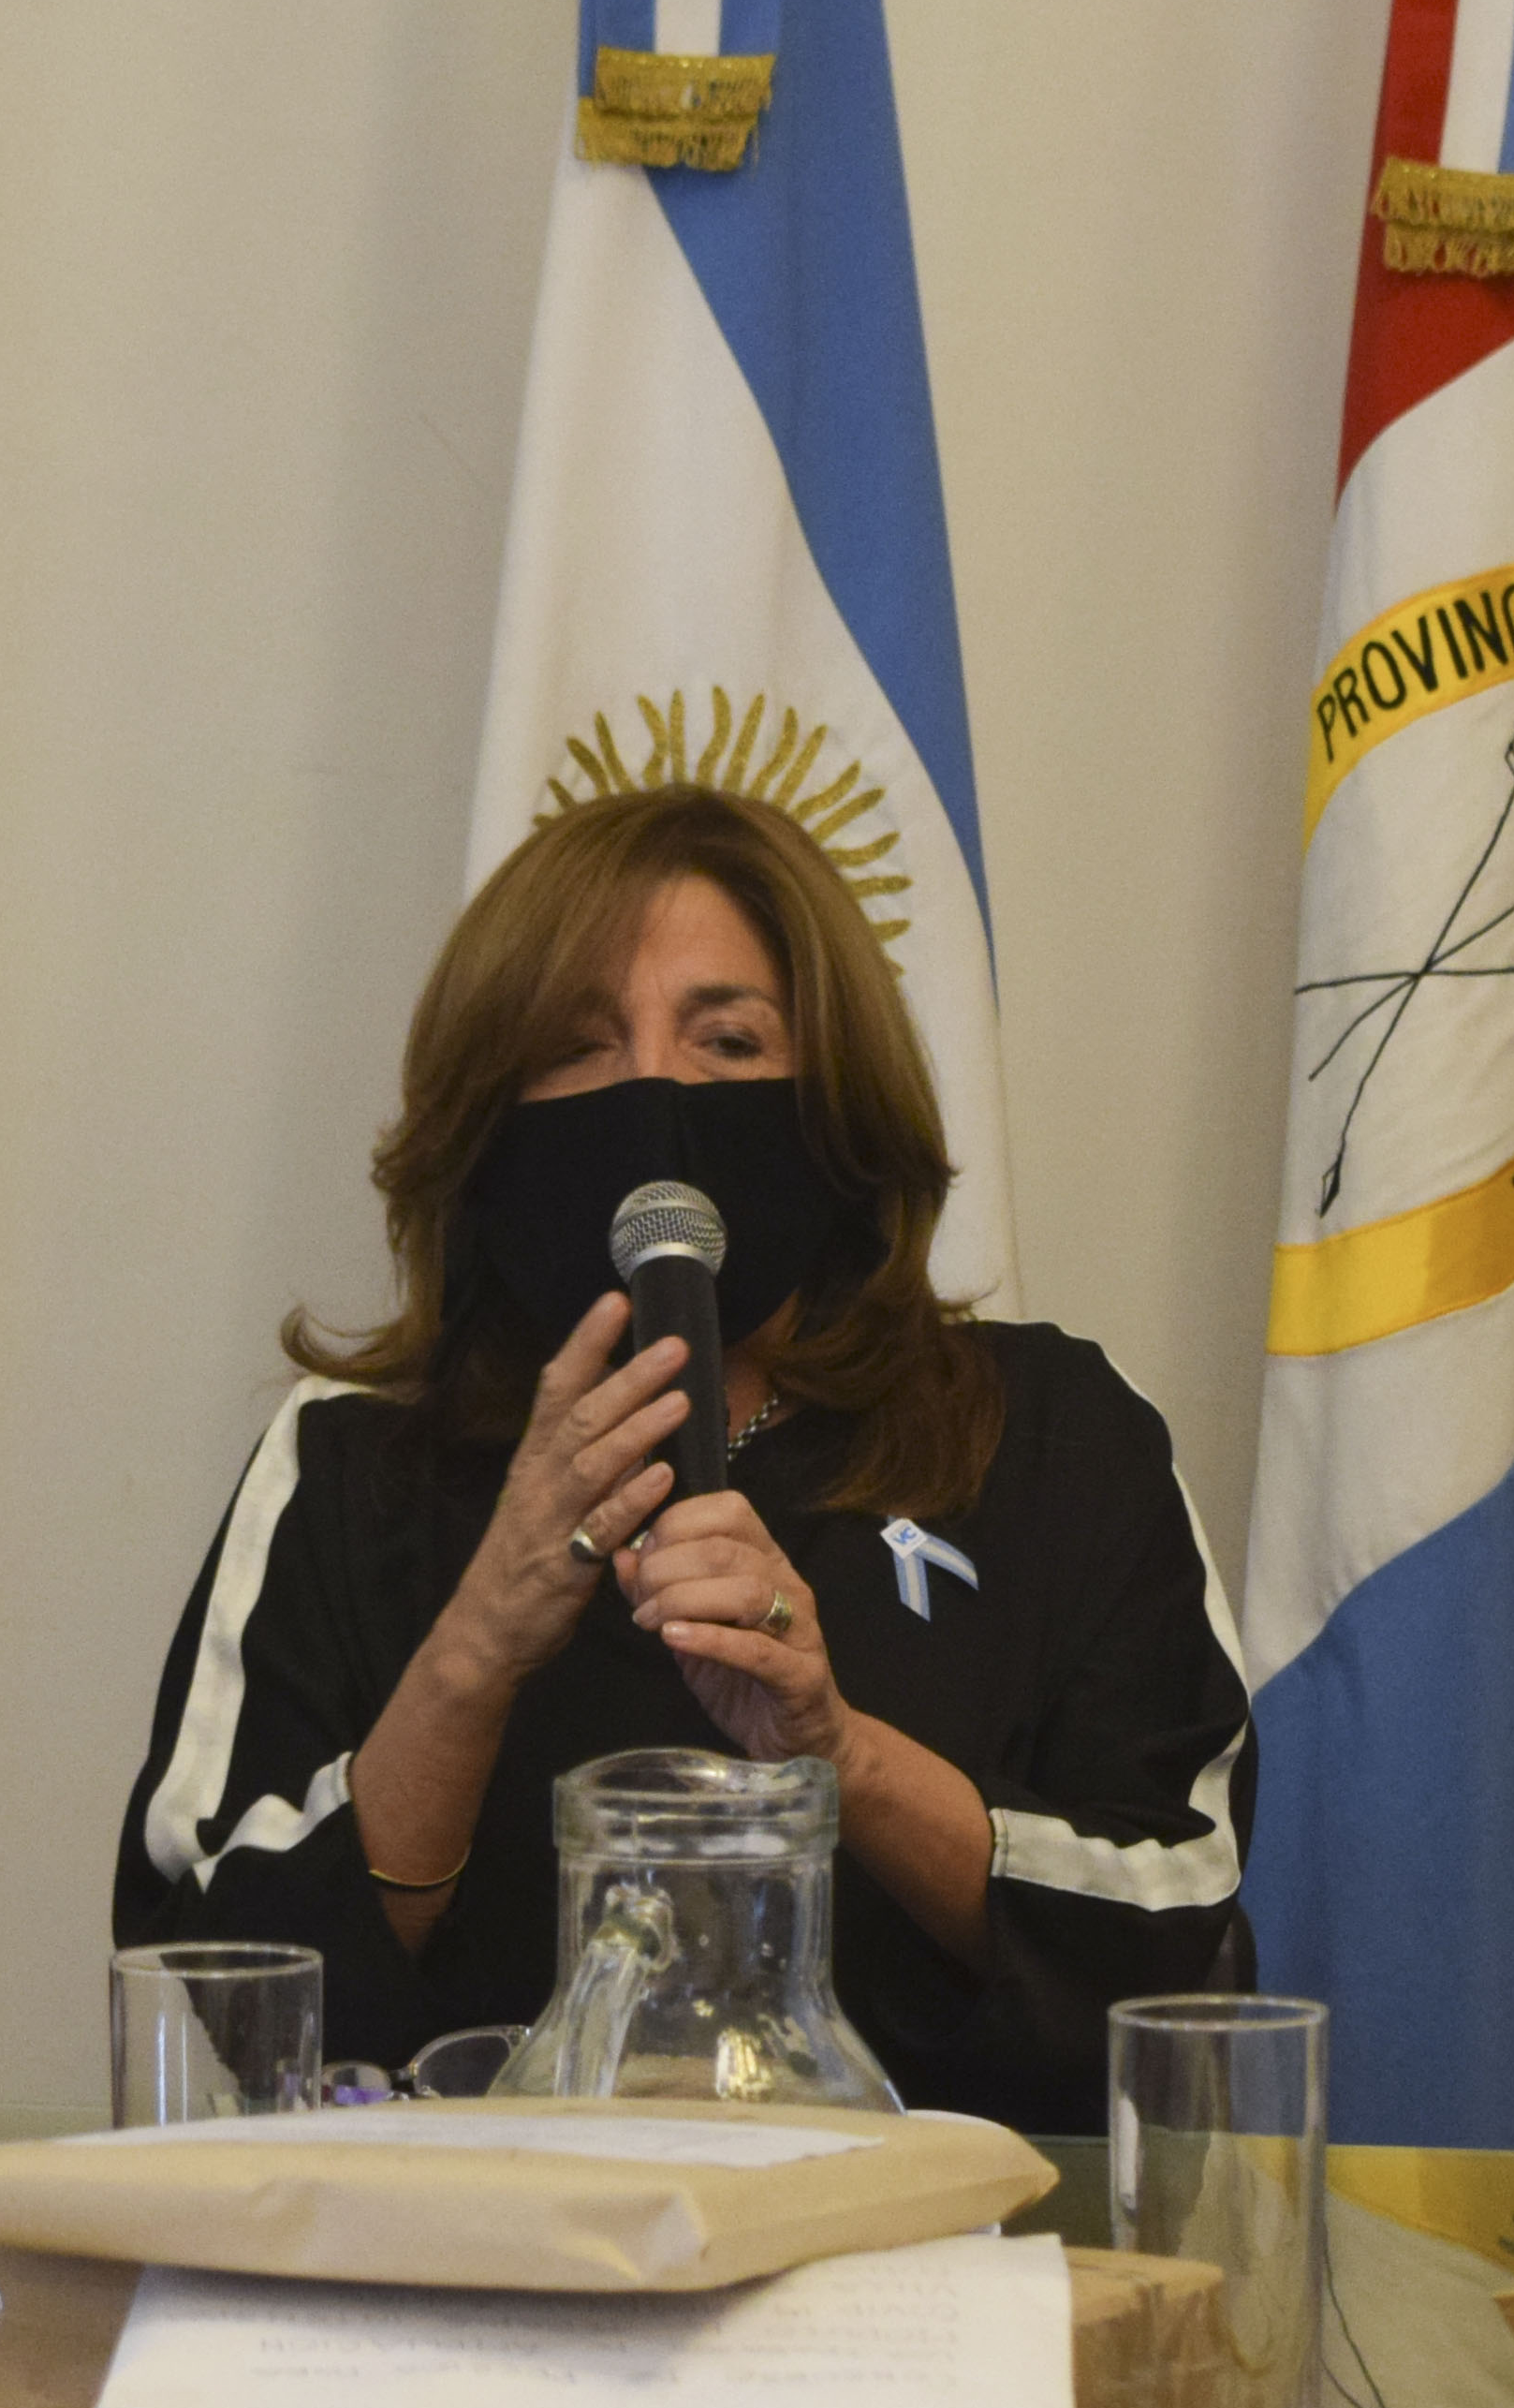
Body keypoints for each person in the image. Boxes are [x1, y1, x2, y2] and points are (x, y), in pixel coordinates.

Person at [117, 785, 1253, 2132]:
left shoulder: (1053, 1432)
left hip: (934, 2242)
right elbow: (198, 1991)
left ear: (836, 1102)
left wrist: (841, 1754)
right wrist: (473, 1651)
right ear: (487, 1117)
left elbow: (1182, 1951)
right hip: (468, 2242)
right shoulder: (347, 1462)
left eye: (728, 1042)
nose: (654, 1099)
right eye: (579, 1049)